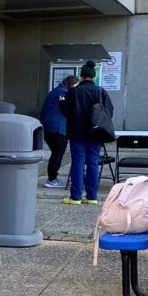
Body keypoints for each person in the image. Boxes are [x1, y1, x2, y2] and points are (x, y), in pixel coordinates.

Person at [61, 61, 114, 206]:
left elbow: (66, 112)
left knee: (78, 162)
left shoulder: (73, 92)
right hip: (95, 132)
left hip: (77, 133)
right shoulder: (101, 91)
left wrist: (61, 103)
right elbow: (109, 111)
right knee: (93, 163)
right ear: (94, 77)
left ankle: (76, 197)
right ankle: (92, 197)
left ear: (81, 77)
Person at [39, 75, 77, 188]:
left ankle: (52, 177)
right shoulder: (63, 93)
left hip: (48, 127)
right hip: (58, 128)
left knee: (55, 153)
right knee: (57, 154)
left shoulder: (55, 91)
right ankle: (52, 179)